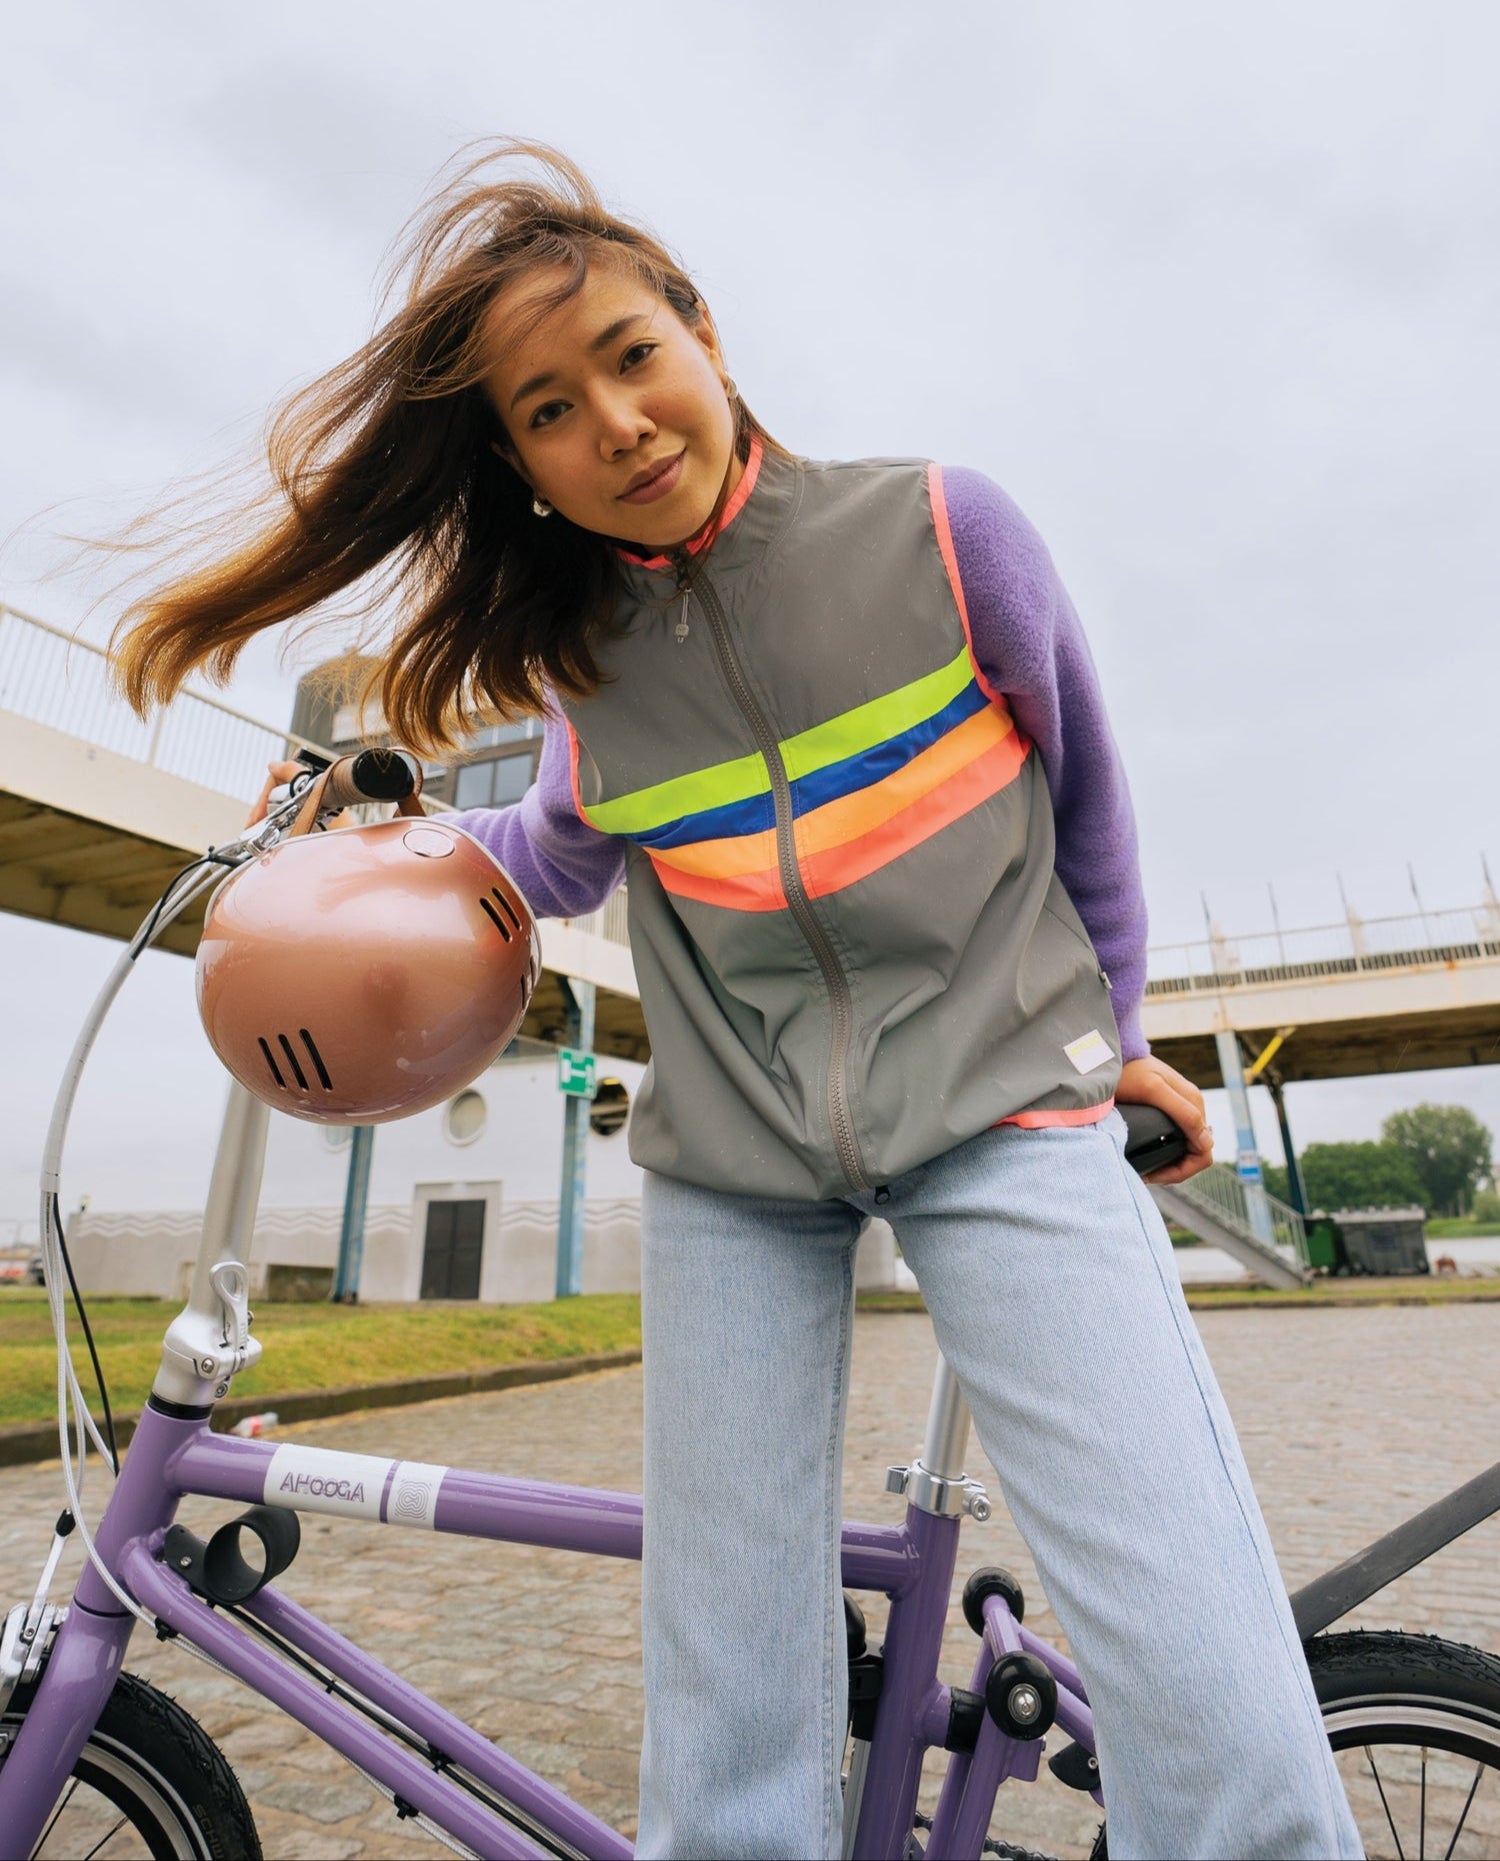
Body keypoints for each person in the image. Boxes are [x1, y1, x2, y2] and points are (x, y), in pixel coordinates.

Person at [119, 142, 1360, 1860]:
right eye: (550, 410)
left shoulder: (944, 531)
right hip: (737, 1166)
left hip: (1006, 1108)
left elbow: (1086, 797)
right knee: (725, 1717)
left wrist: (1118, 1037)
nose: (614, 422)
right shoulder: (583, 672)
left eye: (632, 355)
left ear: (704, 333)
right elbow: (553, 854)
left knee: (1206, 1677)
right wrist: (365, 832)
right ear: (524, 469)